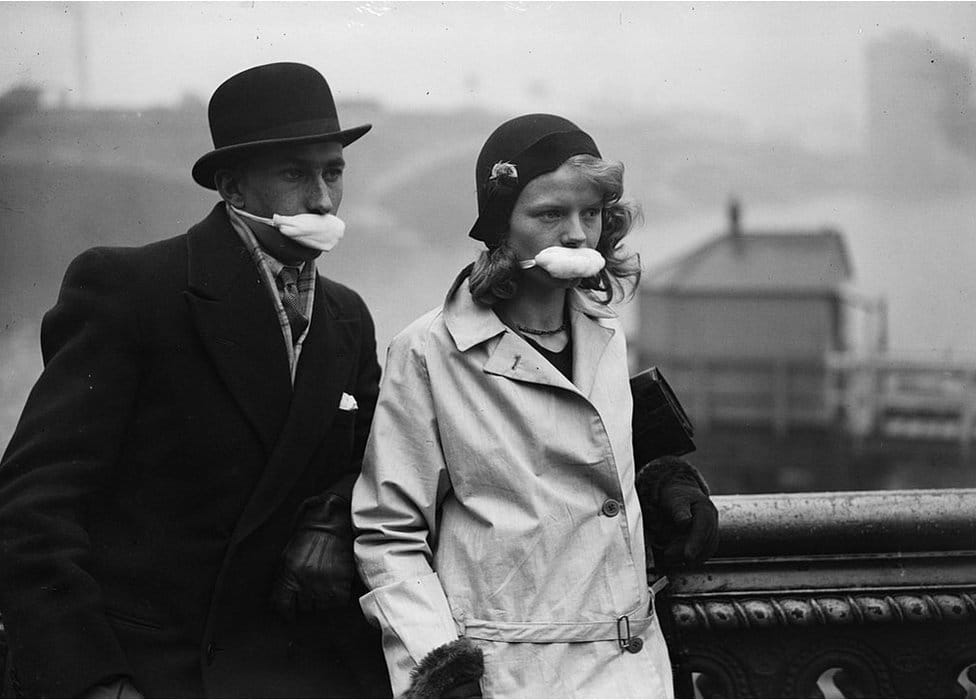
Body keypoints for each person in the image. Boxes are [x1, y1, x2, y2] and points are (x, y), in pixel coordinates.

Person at [0, 62, 390, 697]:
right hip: (160, 672)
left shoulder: (347, 316)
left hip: (297, 669)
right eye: (295, 174)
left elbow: (376, 463)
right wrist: (94, 682)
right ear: (232, 185)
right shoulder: (131, 289)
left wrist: (332, 520)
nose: (322, 199)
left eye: (333, 172)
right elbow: (32, 507)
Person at [352, 113, 719, 698]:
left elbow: (588, 463)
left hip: (632, 668)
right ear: (501, 226)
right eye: (550, 214)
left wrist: (659, 482)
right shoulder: (428, 351)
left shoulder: (604, 331)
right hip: (510, 677)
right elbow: (389, 533)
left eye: (590, 213)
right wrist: (441, 672)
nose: (576, 235)